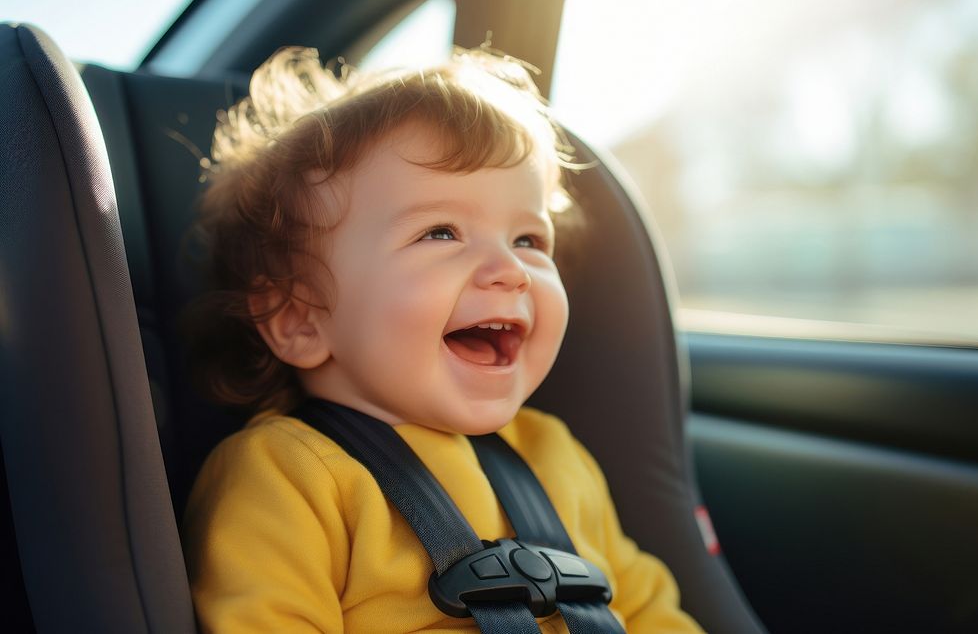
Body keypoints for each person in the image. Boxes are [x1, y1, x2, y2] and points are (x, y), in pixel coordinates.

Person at [181, 44, 703, 633]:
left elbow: (647, 609)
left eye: (529, 239)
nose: (509, 269)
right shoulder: (285, 476)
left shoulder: (556, 454)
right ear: (299, 318)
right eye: (441, 232)